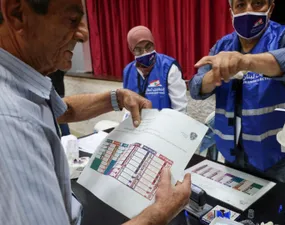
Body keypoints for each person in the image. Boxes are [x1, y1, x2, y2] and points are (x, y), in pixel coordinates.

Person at [0, 1, 191, 225]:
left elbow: (64, 110)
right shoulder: (12, 121)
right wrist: (162, 211)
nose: (84, 35)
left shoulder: (24, 81)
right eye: (72, 19)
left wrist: (116, 98)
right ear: (17, 14)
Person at [189, 0, 285, 183]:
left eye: (257, 3)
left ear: (270, 8)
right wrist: (215, 75)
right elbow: (195, 87)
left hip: (276, 159)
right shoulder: (222, 47)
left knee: (278, 209)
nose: (249, 11)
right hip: (232, 153)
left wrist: (245, 61)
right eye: (240, 5)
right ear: (231, 11)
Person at [123, 26, 188, 113]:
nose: (145, 52)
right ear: (132, 50)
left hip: (166, 124)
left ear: (154, 44)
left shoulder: (169, 67)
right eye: (139, 50)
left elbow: (180, 109)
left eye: (148, 47)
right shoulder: (128, 71)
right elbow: (128, 106)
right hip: (139, 124)